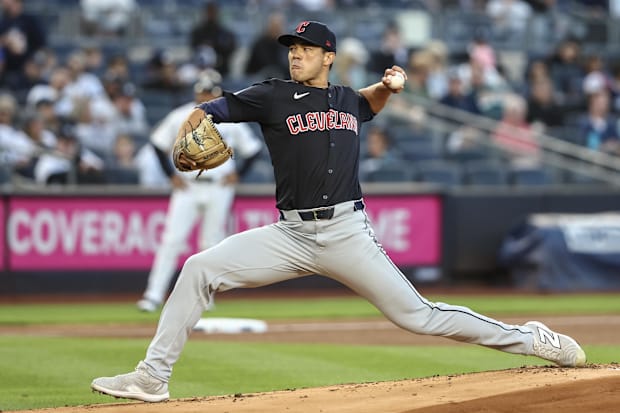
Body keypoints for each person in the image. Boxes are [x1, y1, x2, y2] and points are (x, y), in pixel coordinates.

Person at [91, 20, 586, 403]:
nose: (296, 55)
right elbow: (215, 108)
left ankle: (530, 339)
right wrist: (194, 122)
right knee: (198, 268)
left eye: (305, 49)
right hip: (289, 235)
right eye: (292, 48)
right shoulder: (273, 94)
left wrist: (388, 87)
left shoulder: (348, 99)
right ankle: (153, 377)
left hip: (347, 232)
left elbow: (366, 103)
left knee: (419, 317)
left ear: (328, 57)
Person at [135, 69, 263, 313]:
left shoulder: (230, 118)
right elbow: (157, 144)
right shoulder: (181, 115)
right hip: (188, 187)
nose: (205, 95)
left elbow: (253, 149)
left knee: (211, 243)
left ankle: (205, 297)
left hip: (218, 188)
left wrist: (239, 174)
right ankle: (153, 295)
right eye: (202, 91)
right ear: (196, 92)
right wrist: (170, 175)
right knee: (172, 240)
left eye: (210, 92)